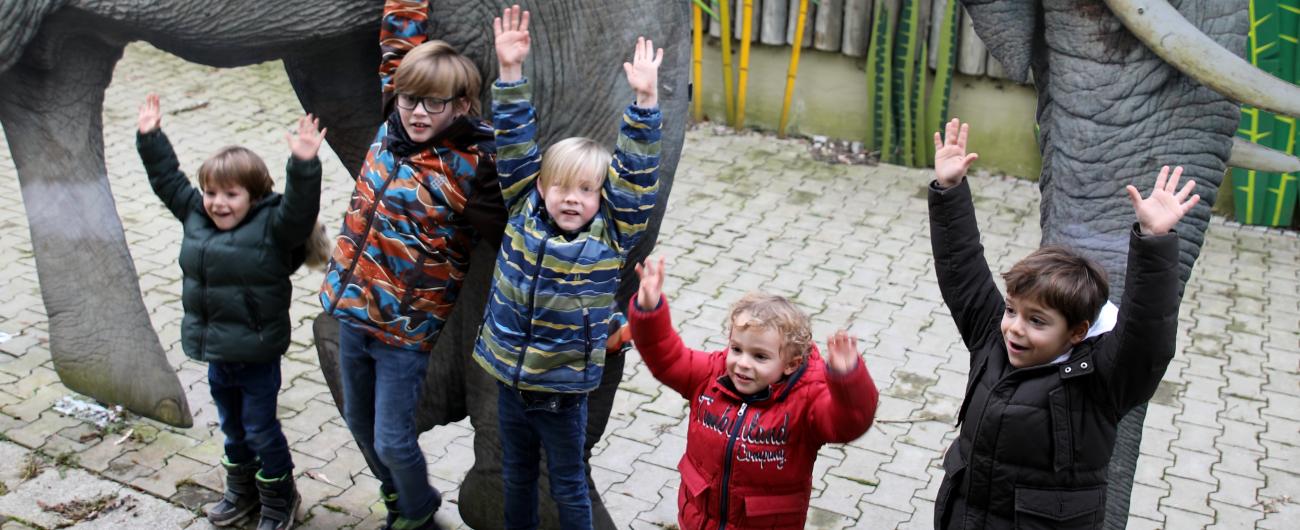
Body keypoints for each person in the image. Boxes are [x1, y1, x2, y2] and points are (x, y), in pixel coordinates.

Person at [927, 118, 1198, 529]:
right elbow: (962, 271)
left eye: (1037, 321)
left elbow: (1148, 337)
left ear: (1076, 331)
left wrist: (1155, 241)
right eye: (1012, 310)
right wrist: (949, 191)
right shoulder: (993, 341)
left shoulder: (1101, 381)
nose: (1015, 328)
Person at [469, 5, 662, 528]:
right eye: (561, 186)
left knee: (569, 484)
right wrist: (510, 72)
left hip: (564, 395)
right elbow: (512, 142)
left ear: (603, 198)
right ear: (539, 187)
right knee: (517, 477)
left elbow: (639, 170)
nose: (572, 198)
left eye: (586, 189)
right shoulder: (522, 212)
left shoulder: (611, 234)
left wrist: (645, 100)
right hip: (509, 382)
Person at [317, 1, 505, 528]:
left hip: (404, 333)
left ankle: (418, 510)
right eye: (411, 100)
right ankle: (401, 500)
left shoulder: (471, 169)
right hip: (351, 312)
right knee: (358, 421)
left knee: (392, 439)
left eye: (435, 105)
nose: (419, 113)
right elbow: (399, 41)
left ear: (462, 106)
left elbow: (517, 219)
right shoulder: (390, 123)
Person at [136, 93, 328, 530]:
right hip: (218, 351)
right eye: (211, 192)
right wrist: (151, 139)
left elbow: (300, 210)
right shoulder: (195, 215)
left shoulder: (275, 226)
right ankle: (241, 492)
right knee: (232, 428)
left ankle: (281, 498)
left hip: (258, 354)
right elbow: (167, 179)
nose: (218, 203)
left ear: (254, 195)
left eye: (230, 194)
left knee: (261, 429)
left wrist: (303, 163)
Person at [627, 256, 879, 529]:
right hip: (700, 519)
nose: (743, 363)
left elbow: (849, 422)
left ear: (791, 364)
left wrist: (848, 379)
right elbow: (667, 358)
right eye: (737, 349)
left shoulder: (806, 400)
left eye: (760, 356)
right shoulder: (711, 375)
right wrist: (649, 310)